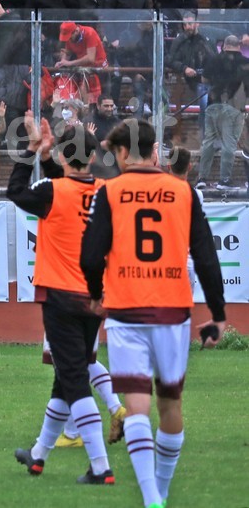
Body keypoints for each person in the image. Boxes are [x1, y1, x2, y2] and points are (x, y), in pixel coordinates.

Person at [80, 119, 226, 508]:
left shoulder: (109, 193)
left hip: (126, 308)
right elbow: (207, 258)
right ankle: (157, 493)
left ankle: (151, 498)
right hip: (173, 310)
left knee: (137, 405)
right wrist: (218, 313)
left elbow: (91, 255)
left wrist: (96, 295)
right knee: (170, 403)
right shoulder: (183, 192)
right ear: (155, 148)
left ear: (124, 153)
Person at [9, 115, 119, 484]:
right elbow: (66, 180)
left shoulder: (52, 192)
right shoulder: (106, 192)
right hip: (96, 296)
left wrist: (31, 149)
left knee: (73, 380)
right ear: (92, 159)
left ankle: (101, 467)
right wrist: (48, 154)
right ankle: (38, 455)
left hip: (60, 295)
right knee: (65, 378)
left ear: (61, 154)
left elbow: (16, 190)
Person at [197, 35, 249, 191]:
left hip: (213, 106)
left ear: (224, 45)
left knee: (209, 142)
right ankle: (224, 181)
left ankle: (202, 179)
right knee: (229, 143)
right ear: (239, 46)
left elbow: (204, 80)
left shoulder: (214, 59)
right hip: (234, 108)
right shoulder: (246, 63)